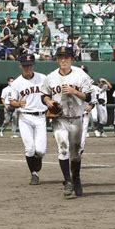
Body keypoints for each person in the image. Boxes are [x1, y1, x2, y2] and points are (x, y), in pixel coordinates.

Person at [41, 46, 94, 198]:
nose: (63, 60)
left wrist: (75, 92)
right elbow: (44, 95)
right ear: (57, 59)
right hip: (60, 119)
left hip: (77, 119)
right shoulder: (50, 77)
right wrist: (48, 101)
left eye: (66, 57)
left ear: (72, 59)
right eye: (60, 57)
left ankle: (76, 178)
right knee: (63, 148)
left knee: (76, 154)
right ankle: (68, 181)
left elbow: (89, 97)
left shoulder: (81, 75)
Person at [8, 54, 48, 184]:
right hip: (25, 117)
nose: (28, 68)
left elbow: (50, 93)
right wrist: (17, 104)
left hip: (41, 116)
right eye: (25, 65)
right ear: (21, 66)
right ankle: (34, 174)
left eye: (30, 65)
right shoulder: (16, 83)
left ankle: (38, 158)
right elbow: (12, 102)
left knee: (41, 150)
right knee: (29, 148)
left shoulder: (42, 78)